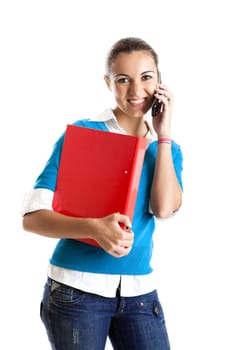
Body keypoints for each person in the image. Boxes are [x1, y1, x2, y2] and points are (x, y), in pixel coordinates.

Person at [22, 37, 183, 350]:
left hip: (139, 293)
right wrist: (93, 229)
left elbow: (163, 209)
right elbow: (32, 218)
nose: (136, 91)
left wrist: (163, 136)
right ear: (108, 82)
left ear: (159, 82)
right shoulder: (83, 134)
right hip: (76, 290)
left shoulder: (167, 149)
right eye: (123, 80)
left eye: (146, 78)